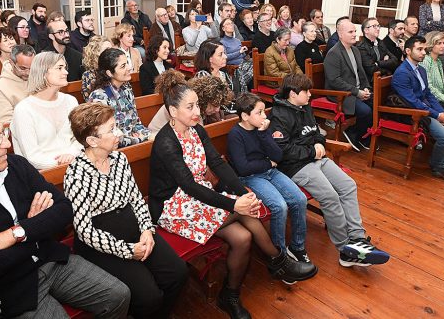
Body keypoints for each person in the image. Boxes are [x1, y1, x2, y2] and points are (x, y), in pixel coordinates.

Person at [148, 79, 318, 319]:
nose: (197, 112)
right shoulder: (166, 141)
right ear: (173, 111)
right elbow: (187, 185)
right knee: (243, 210)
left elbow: (217, 162)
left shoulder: (196, 129)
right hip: (172, 207)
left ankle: (230, 295)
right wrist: (235, 202)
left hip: (197, 197)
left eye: (197, 105)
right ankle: (279, 261)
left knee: (243, 237)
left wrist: (242, 192)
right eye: (190, 107)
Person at [0, 104, 130, 318]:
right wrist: (36, 230)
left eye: (4, 133)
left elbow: (64, 210)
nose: (7, 143)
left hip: (49, 258)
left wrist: (16, 233)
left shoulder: (16, 165)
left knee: (119, 295)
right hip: (10, 285)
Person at [65, 103, 188, 319]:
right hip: (101, 243)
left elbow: (136, 199)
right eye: (111, 129)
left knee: (177, 273)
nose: (119, 133)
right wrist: (128, 250)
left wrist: (147, 230)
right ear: (92, 141)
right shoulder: (75, 174)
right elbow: (85, 231)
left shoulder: (119, 159)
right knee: (148, 296)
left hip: (135, 229)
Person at [269, 73, 390, 267]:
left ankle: (357, 238)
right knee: (330, 197)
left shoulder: (305, 106)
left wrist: (318, 143)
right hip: (298, 166)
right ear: (293, 94)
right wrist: (311, 151)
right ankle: (345, 249)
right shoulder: (279, 115)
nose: (310, 95)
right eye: (306, 91)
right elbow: (282, 150)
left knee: (348, 185)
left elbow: (316, 131)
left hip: (317, 158)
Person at [228, 92, 317, 268]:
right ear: (245, 116)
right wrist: (268, 162)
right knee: (280, 206)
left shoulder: (262, 129)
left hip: (270, 171)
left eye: (263, 111)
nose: (264, 116)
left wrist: (263, 135)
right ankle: (279, 256)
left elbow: (278, 155)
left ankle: (297, 247)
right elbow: (243, 167)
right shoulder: (236, 135)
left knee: (299, 199)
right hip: (250, 177)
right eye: (259, 112)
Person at [392, 36, 444, 184]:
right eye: (419, 49)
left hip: (427, 109)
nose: (423, 53)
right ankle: (441, 167)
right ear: (408, 51)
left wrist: (441, 112)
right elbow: (412, 102)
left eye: (424, 49)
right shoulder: (402, 73)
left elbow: (428, 94)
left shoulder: (420, 69)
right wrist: (436, 114)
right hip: (414, 114)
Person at [11, 51, 83, 169]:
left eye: (64, 68)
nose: (66, 72)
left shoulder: (70, 101)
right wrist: (61, 164)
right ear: (43, 72)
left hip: (75, 164)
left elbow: (80, 137)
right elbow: (32, 156)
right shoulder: (24, 110)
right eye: (59, 68)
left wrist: (71, 155)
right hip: (42, 174)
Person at [324, 19, 372, 152]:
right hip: (340, 94)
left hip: (355, 90)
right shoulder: (334, 53)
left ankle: (362, 137)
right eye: (350, 32)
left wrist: (366, 88)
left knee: (376, 105)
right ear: (340, 34)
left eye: (355, 31)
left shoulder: (355, 50)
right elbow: (335, 81)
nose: (354, 34)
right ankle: (353, 133)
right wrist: (357, 92)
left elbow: (361, 74)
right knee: (366, 111)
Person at [90, 48, 151, 147]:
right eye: (123, 66)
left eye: (127, 63)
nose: (129, 68)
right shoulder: (99, 97)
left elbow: (136, 122)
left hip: (134, 141)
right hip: (113, 147)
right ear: (109, 73)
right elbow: (109, 136)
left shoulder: (126, 90)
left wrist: (145, 134)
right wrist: (138, 139)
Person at [148, 70, 232, 134]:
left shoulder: (195, 106)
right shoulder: (184, 106)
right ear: (204, 100)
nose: (217, 109)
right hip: (156, 138)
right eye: (214, 105)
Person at [0, 44, 35, 123]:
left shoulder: (39, 76)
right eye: (23, 68)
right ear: (11, 63)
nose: (28, 73)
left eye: (32, 68)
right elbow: (7, 122)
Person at [356, 17, 399, 84]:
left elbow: (395, 60)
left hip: (383, 80)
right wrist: (387, 68)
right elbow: (371, 69)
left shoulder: (380, 42)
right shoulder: (361, 47)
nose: (378, 29)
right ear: (366, 30)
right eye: (374, 26)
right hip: (370, 83)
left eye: (378, 26)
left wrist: (378, 63)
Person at [81, 35, 113, 101]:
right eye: (107, 50)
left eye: (111, 49)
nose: (111, 52)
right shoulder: (89, 75)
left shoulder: (115, 69)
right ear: (96, 53)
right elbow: (90, 100)